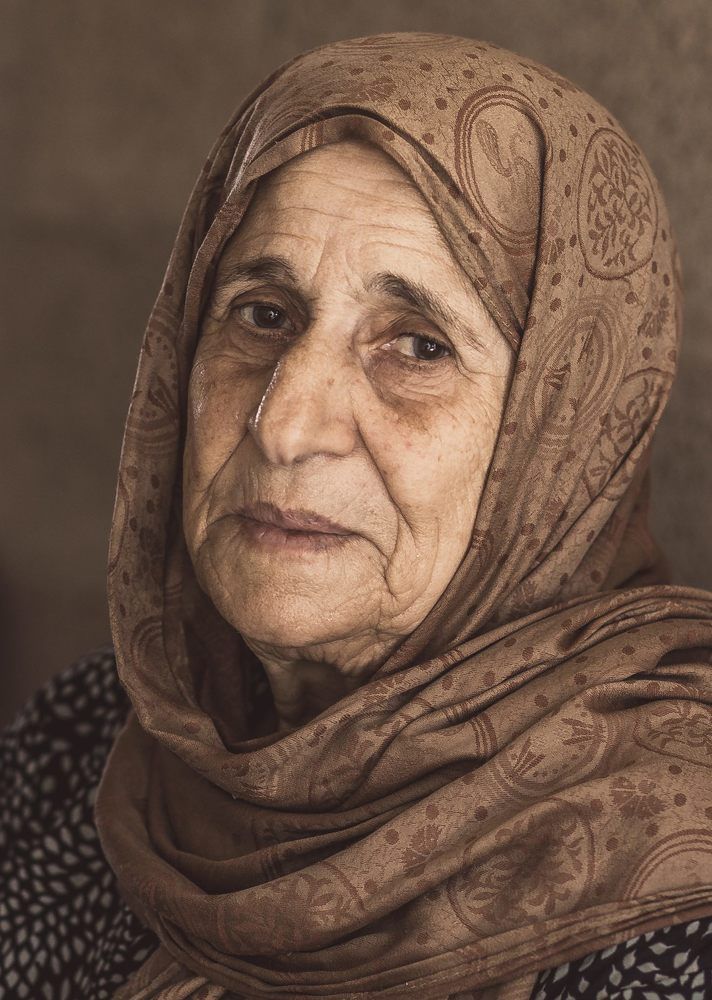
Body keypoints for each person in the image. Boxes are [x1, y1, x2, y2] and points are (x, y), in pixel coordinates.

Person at [3, 31, 712, 1000]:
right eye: (260, 314)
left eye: (415, 346)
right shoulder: (84, 740)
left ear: (565, 432)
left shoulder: (678, 889)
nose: (286, 423)